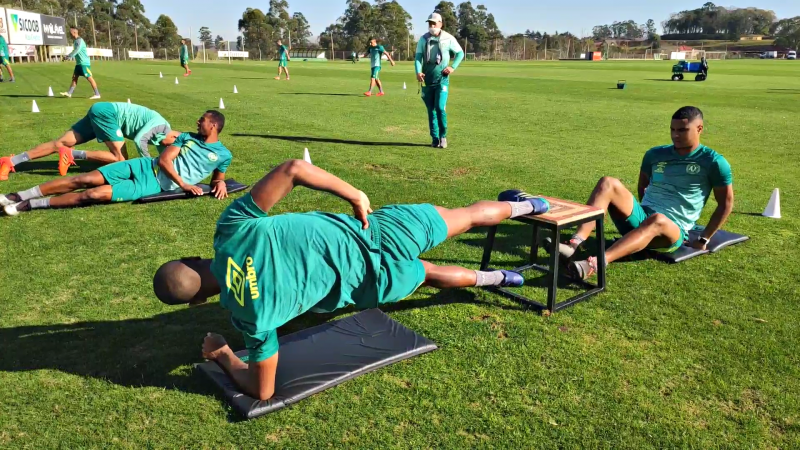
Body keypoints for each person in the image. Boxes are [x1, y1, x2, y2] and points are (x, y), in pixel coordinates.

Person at [151, 161, 550, 401]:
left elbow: (262, 390)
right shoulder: (230, 229)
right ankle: (528, 205)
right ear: (191, 258)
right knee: (466, 215)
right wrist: (353, 194)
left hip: (377, 280)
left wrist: (223, 354)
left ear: (196, 302)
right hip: (379, 230)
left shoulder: (249, 318)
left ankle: (496, 277)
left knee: (427, 274)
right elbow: (294, 169)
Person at [556, 106, 733, 280]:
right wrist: (644, 217)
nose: (675, 135)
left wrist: (703, 239)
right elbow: (642, 186)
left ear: (699, 128)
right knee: (607, 182)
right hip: (643, 217)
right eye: (672, 129)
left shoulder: (714, 161)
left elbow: (725, 203)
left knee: (657, 219)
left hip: (672, 231)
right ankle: (575, 243)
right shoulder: (655, 154)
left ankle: (597, 263)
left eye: (682, 130)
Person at [0, 111, 231, 216]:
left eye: (202, 120)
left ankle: (30, 205)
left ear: (213, 126)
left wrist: (219, 183)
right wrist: (184, 184)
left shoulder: (223, 155)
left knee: (91, 195)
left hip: (151, 186)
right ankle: (17, 196)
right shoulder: (186, 137)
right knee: (83, 179)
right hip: (142, 166)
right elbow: (164, 160)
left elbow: (217, 177)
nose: (197, 121)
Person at [0, 102, 179, 181]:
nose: (167, 149)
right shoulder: (161, 125)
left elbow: (163, 158)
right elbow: (140, 141)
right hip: (108, 114)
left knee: (60, 143)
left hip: (101, 110)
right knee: (120, 160)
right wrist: (146, 166)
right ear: (174, 138)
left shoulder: (164, 139)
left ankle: (10, 161)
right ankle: (72, 155)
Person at [415, 13, 464, 149]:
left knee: (440, 108)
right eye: (430, 23)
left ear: (440, 24)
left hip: (442, 79)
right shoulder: (423, 39)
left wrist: (452, 67)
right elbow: (418, 58)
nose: (431, 26)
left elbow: (460, 53)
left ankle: (443, 136)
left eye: (434, 23)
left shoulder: (448, 38)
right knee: (431, 111)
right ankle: (434, 138)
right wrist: (418, 72)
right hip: (427, 80)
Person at [61, 27, 101, 99]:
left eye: (70, 32)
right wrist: (68, 56)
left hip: (84, 63)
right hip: (79, 64)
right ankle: (69, 93)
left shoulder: (79, 41)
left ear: (74, 32)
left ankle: (97, 94)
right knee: (74, 78)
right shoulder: (76, 41)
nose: (69, 33)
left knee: (89, 78)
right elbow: (75, 50)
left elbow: (77, 50)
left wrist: (69, 56)